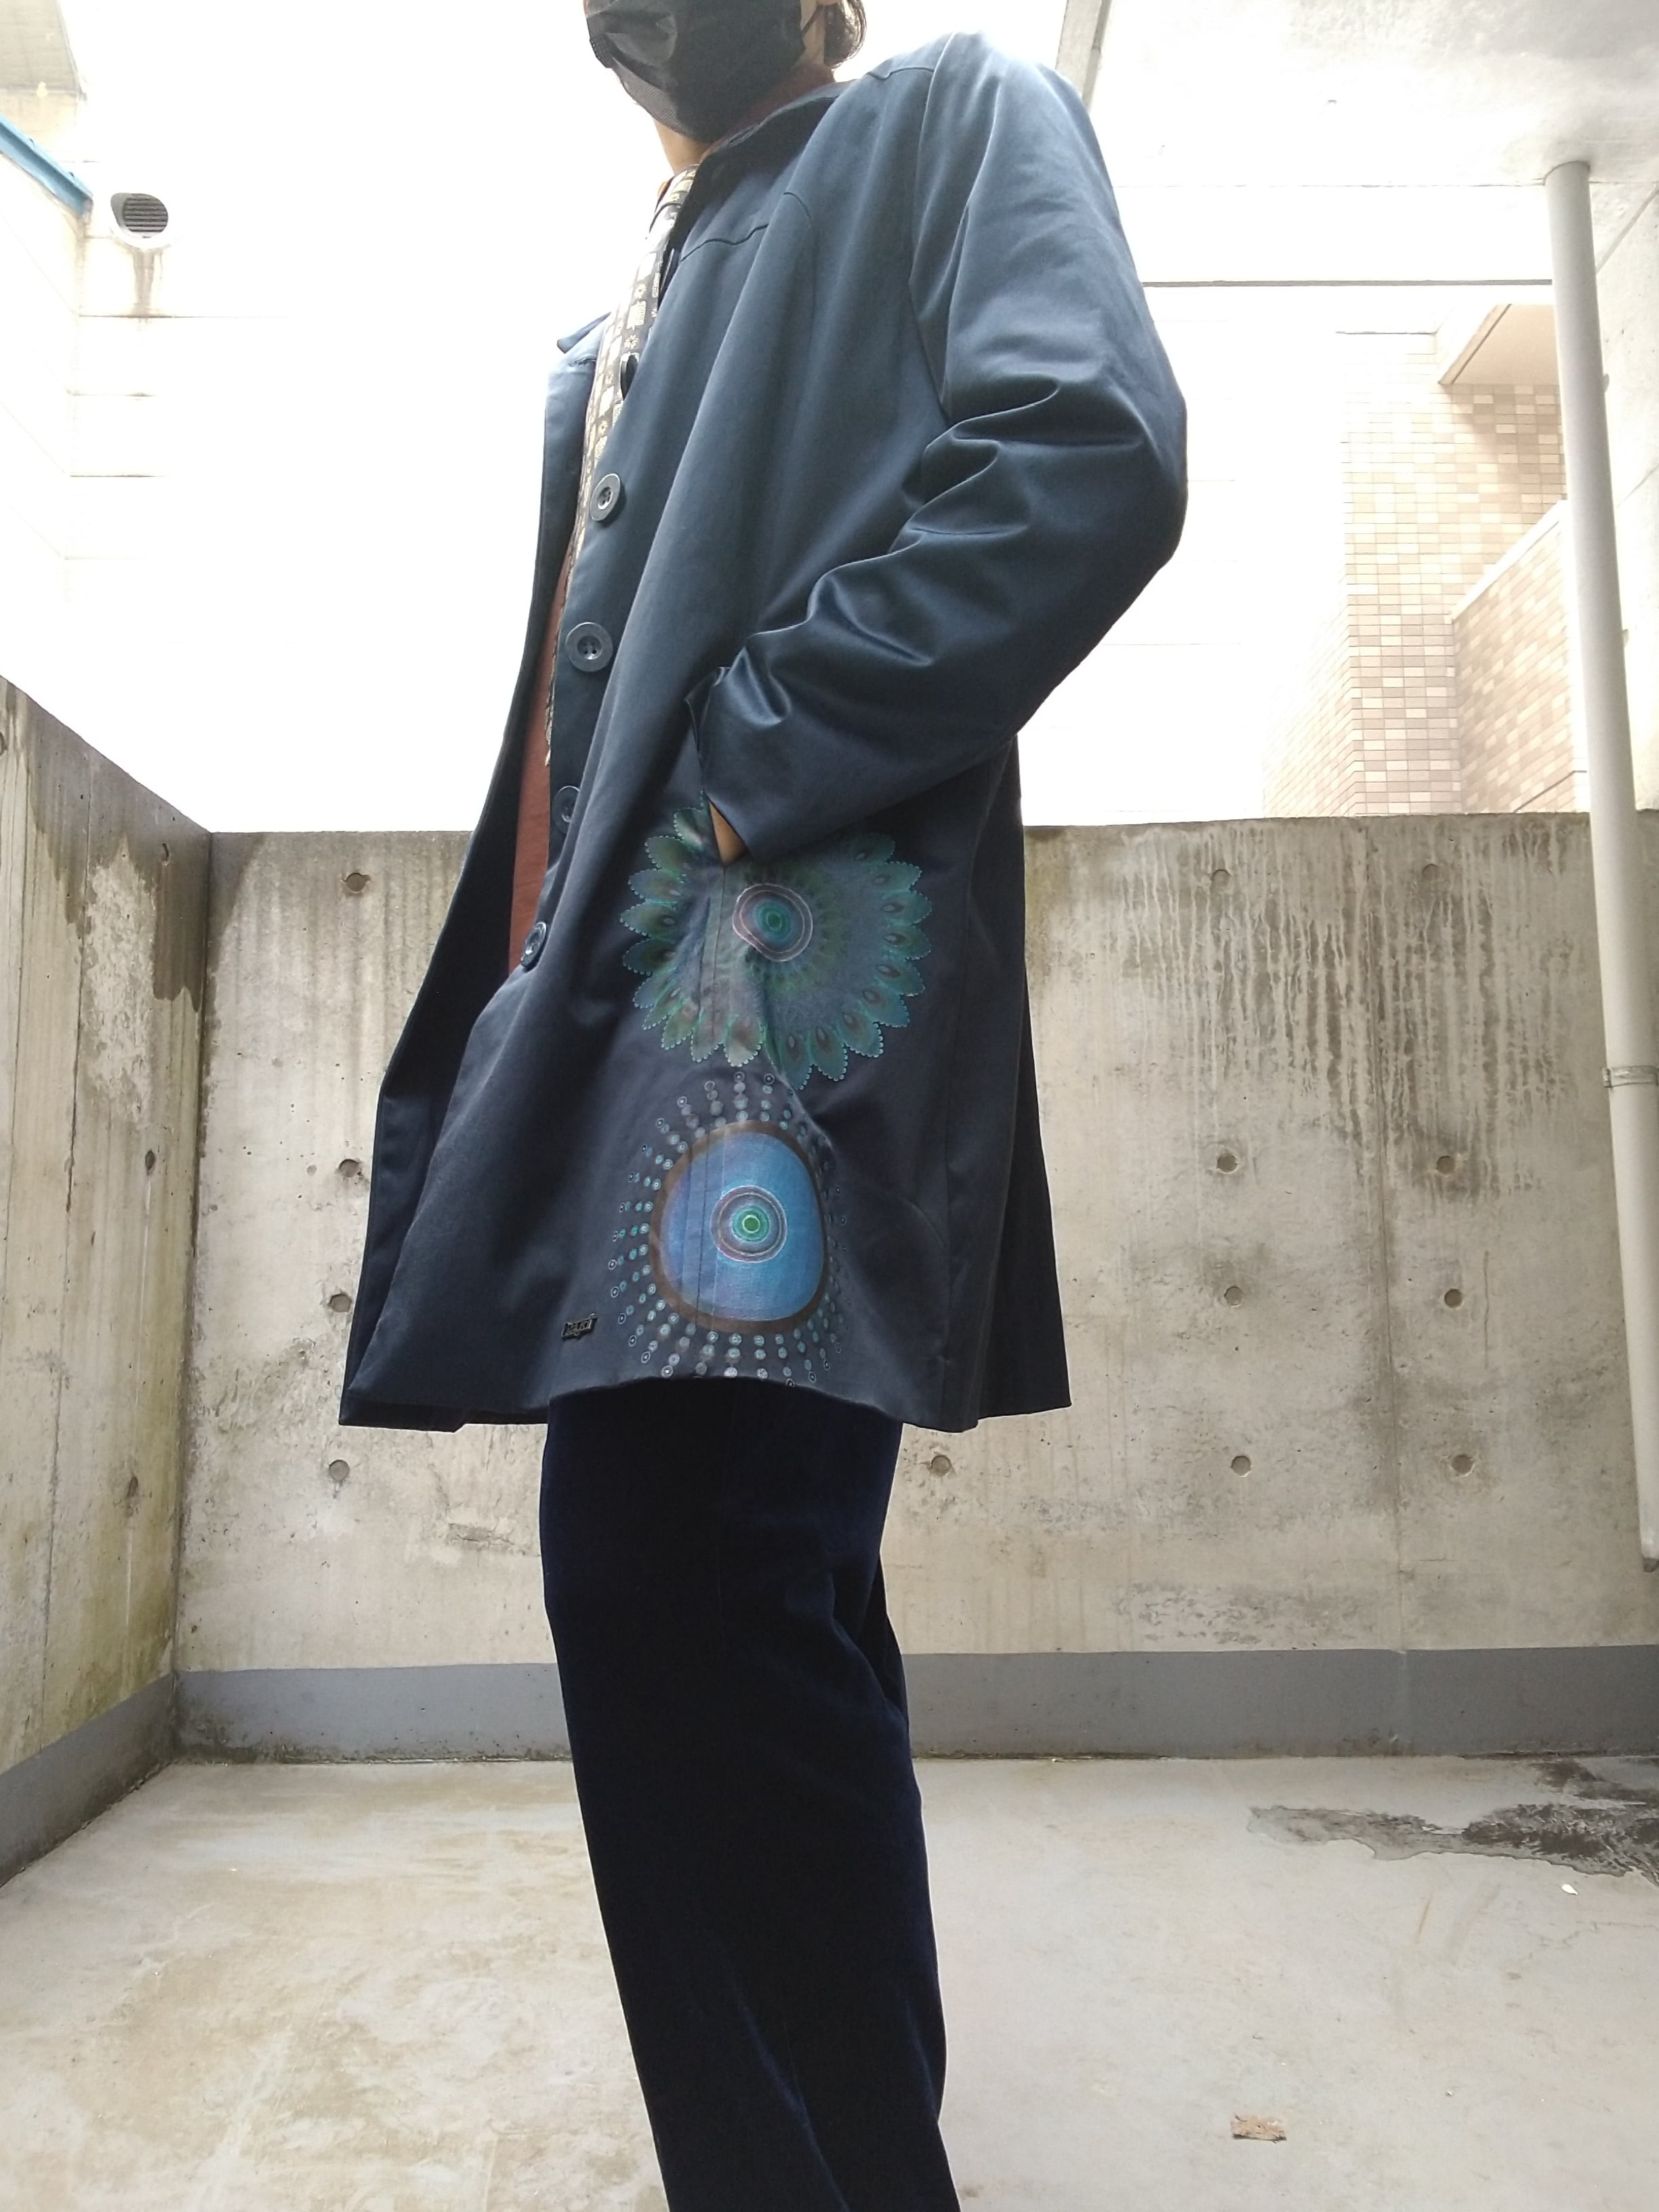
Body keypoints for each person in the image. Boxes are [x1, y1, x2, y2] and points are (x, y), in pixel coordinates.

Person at [340, 0, 1185, 2201]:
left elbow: (1086, 450)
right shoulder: (614, 328)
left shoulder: (948, 119)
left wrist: (742, 762)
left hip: (770, 994)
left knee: (676, 1573)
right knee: (753, 1587)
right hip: (612, 1007)